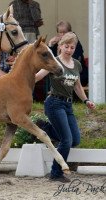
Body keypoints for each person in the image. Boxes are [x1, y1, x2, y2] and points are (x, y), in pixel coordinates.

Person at [35, 32, 96, 183]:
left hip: (68, 105)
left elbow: (78, 87)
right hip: (54, 103)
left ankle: (46, 128)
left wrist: (86, 100)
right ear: (60, 46)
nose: (69, 50)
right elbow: (37, 77)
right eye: (66, 46)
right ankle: (55, 173)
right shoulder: (54, 63)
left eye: (72, 47)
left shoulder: (76, 64)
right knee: (66, 140)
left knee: (75, 139)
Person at [48, 21, 88, 86]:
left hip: (78, 75)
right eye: (60, 32)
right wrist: (50, 45)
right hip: (62, 75)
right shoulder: (56, 43)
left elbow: (74, 60)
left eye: (65, 32)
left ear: (70, 32)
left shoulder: (75, 42)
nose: (63, 35)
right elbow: (50, 59)